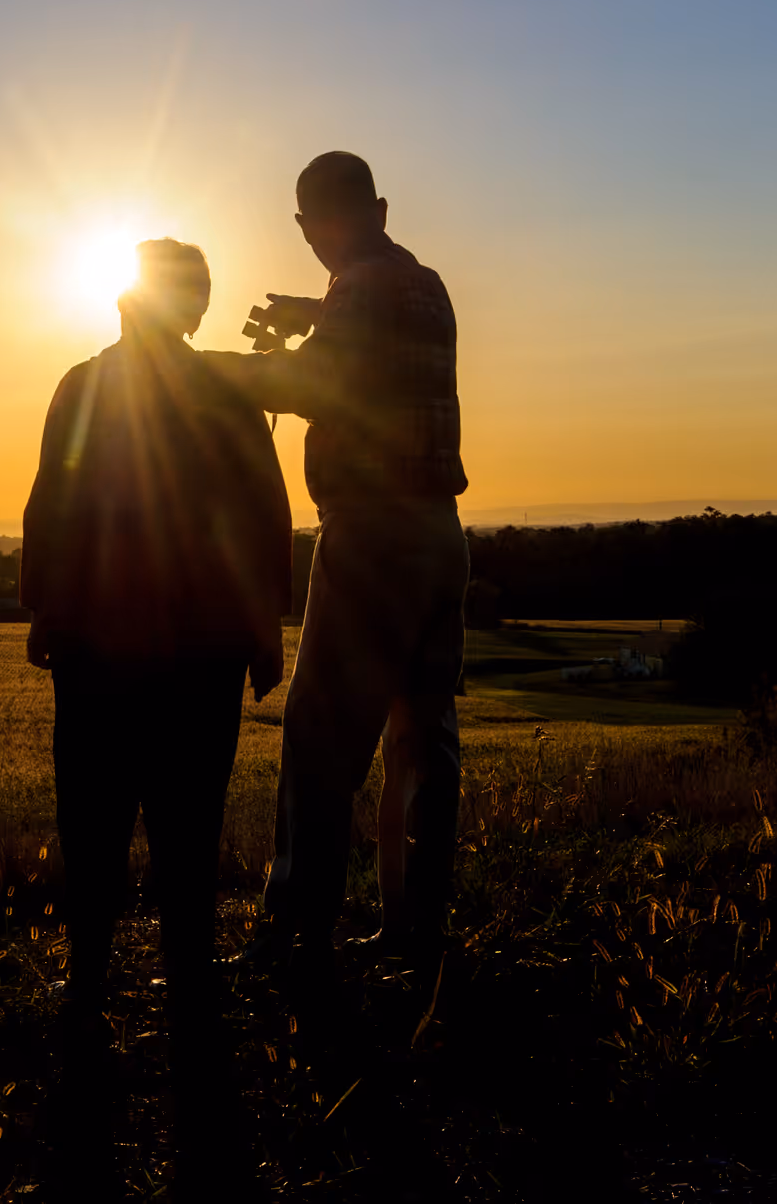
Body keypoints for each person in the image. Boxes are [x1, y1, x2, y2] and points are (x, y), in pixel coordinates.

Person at [21, 237, 292, 1195]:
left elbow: (52, 501)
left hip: (101, 643)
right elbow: (265, 513)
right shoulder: (225, 393)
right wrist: (267, 630)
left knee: (91, 822)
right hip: (199, 649)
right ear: (195, 306)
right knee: (186, 822)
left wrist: (45, 607)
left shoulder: (83, 384)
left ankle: (88, 991)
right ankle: (186, 990)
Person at [223, 151, 470, 986]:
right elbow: (371, 343)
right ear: (384, 208)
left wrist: (195, 372)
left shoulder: (356, 290)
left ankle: (295, 931)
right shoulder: (426, 284)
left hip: (373, 534)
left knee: (321, 738)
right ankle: (416, 929)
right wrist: (316, 310)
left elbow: (311, 383)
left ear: (307, 225)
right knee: (423, 740)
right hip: (441, 532)